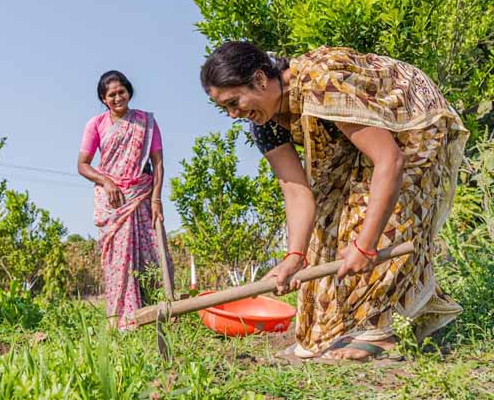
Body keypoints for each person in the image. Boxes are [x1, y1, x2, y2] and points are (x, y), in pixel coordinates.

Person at [200, 42, 468, 360]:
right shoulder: (265, 124)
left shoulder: (320, 84)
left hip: (411, 118)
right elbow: (297, 191)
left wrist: (366, 245)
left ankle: (378, 331)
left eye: (234, 102)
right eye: (225, 109)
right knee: (326, 230)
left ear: (260, 79)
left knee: (377, 213)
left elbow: (389, 160)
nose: (233, 115)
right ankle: (352, 328)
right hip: (357, 139)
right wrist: (295, 256)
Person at [77, 70, 165, 330]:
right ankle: (121, 319)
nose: (118, 97)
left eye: (121, 91)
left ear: (129, 91)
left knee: (151, 255)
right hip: (113, 201)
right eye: (111, 94)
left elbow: (158, 163)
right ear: (104, 99)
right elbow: (82, 165)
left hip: (142, 196)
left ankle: (158, 312)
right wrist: (106, 181)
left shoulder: (145, 122)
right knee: (118, 259)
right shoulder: (96, 124)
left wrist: (157, 198)